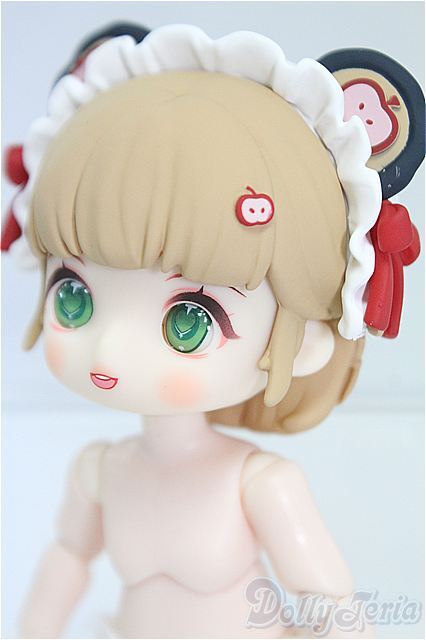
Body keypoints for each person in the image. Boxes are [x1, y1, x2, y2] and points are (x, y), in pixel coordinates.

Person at [2, 22, 424, 639]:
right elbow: (66, 562)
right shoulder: (98, 471)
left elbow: (329, 603)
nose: (110, 350)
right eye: (74, 297)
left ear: (305, 340)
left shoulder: (260, 484)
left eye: (188, 321)